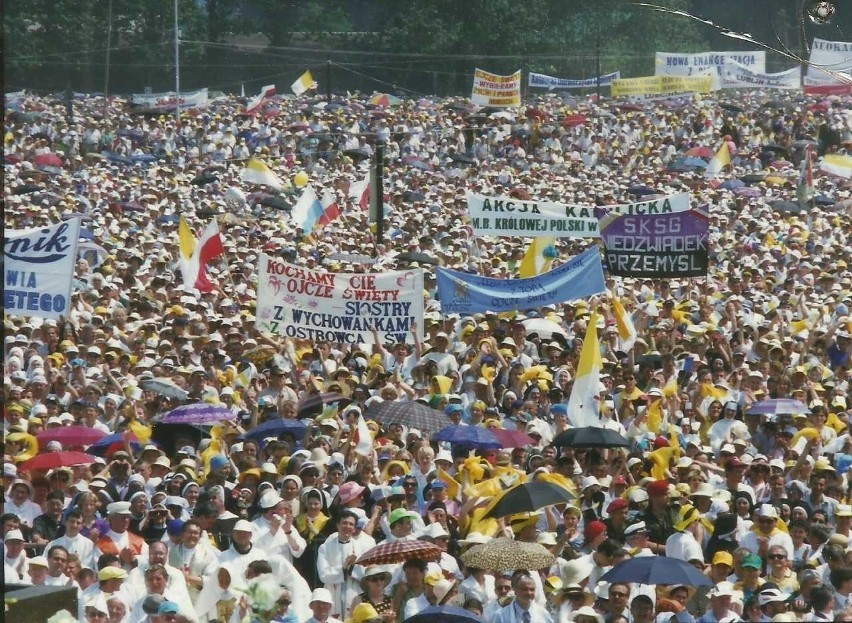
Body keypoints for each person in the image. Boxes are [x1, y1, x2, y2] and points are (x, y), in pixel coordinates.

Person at [317, 510, 374, 619]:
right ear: (337, 525)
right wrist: (342, 569)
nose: (347, 526)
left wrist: (352, 567)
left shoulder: (361, 547)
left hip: (354, 590)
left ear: (354, 528)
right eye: (344, 523)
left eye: (351, 524)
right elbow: (323, 574)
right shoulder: (326, 547)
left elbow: (366, 575)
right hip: (333, 591)